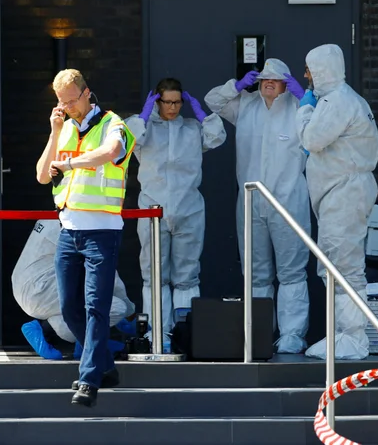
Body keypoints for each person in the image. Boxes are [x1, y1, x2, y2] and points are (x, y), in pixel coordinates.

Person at [35, 68, 135, 407]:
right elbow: (40, 175)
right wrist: (54, 131)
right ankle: (105, 366)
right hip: (69, 231)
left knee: (96, 307)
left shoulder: (113, 124)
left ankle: (88, 379)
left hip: (102, 232)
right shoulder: (63, 127)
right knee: (69, 308)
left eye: (71, 101)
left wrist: (70, 164)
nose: (66, 107)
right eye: (60, 102)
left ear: (86, 92)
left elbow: (109, 153)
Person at [204, 58, 311, 354]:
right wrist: (235, 86)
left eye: (275, 80)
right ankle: (260, 331)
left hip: (288, 199)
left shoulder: (298, 108)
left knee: (291, 271)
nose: (268, 83)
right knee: (256, 272)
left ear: (286, 84)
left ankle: (292, 334)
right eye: (264, 79)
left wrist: (305, 98)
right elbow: (213, 101)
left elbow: (320, 124)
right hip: (251, 200)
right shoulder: (246, 105)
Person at [125, 78, 226, 352]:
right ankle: (157, 335)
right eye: (167, 101)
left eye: (177, 102)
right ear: (157, 101)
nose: (173, 107)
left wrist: (202, 113)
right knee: (154, 274)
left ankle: (185, 334)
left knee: (187, 274)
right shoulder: (145, 129)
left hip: (188, 206)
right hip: (153, 207)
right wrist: (144, 115)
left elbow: (217, 137)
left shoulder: (191, 128)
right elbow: (126, 141)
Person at [296, 44, 378, 360]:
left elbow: (310, 140)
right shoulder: (341, 100)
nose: (305, 75)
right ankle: (345, 334)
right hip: (341, 191)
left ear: (319, 70)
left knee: (342, 265)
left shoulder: (336, 101)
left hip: (345, 191)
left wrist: (304, 110)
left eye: (308, 69)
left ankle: (354, 338)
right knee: (334, 263)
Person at [12, 218, 138, 360]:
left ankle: (84, 343)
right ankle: (45, 329)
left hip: (26, 284)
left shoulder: (54, 217)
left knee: (81, 295)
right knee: (116, 307)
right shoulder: (79, 224)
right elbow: (108, 274)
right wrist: (130, 314)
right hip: (41, 289)